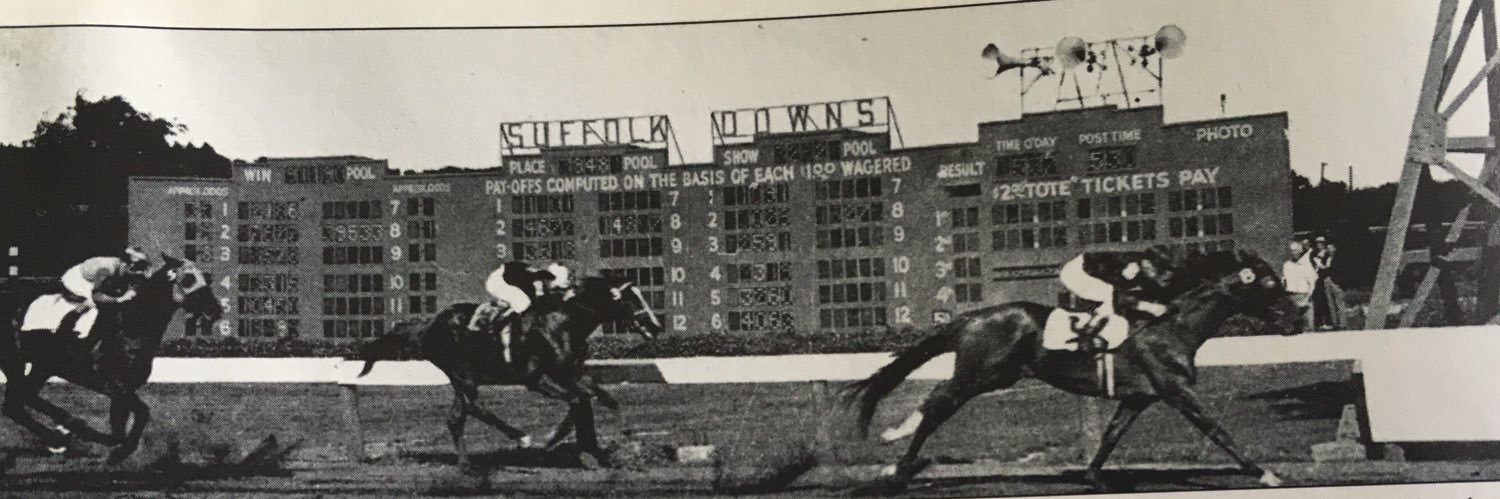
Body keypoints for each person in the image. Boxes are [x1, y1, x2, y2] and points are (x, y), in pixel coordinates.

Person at [1057, 246, 1177, 353]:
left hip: (1087, 269)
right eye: (1156, 268)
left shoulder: (1139, 263)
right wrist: (1150, 308)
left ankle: (1093, 328)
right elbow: (1119, 297)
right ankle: (1088, 336)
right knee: (1109, 294)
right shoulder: (1131, 268)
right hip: (1076, 274)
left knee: (1111, 296)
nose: (1155, 273)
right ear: (1147, 262)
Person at [467, 260, 575, 362]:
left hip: (508, 277)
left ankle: (501, 321)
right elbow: (541, 299)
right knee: (524, 304)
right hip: (499, 282)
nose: (553, 288)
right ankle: (497, 326)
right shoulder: (536, 281)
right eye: (555, 286)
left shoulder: (539, 277)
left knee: (526, 303)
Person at [59, 247, 152, 339]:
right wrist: (119, 299)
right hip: (76, 281)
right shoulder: (106, 270)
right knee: (92, 305)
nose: (138, 275)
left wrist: (131, 290)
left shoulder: (122, 266)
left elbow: (134, 281)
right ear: (130, 265)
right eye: (139, 271)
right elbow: (96, 296)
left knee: (112, 296)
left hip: (94, 279)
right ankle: (66, 331)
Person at [1309, 236, 1347, 330]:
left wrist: (1321, 265)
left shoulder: (1337, 258)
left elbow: (1331, 270)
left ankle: (1342, 323)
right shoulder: (1325, 257)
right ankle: (1334, 323)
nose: (1329, 249)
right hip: (1326, 281)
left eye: (1331, 248)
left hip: (1334, 281)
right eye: (1329, 248)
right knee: (1330, 303)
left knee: (1339, 303)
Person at [1282, 239, 1318, 331]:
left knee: (1308, 327)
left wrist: (1308, 297)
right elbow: (1284, 280)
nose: (1294, 253)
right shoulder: (1287, 265)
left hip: (1304, 296)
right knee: (1295, 328)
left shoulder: (1306, 265)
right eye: (1292, 250)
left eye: (1296, 250)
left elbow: (1312, 282)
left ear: (1300, 251)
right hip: (1291, 297)